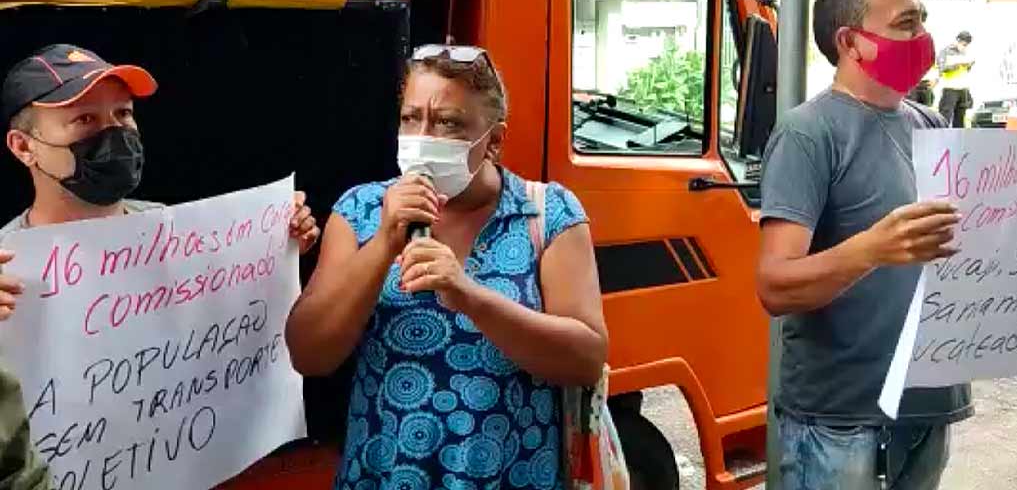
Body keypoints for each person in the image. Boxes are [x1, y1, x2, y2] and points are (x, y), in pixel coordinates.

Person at [285, 44, 608, 490]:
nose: (423, 137)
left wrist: (469, 296)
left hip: (510, 476)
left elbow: (587, 359)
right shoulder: (360, 210)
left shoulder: (548, 214)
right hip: (384, 474)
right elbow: (309, 354)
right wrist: (383, 243)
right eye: (410, 118)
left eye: (449, 124)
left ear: (493, 140)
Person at [0, 44, 322, 488]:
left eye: (123, 115)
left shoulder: (175, 234)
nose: (113, 133)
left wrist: (275, 249)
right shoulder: (4, 262)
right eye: (85, 120)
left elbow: (228, 337)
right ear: (23, 147)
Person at [756, 0, 973, 489]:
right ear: (852, 41)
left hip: (928, 409)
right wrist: (873, 249)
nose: (923, 39)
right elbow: (775, 285)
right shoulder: (809, 134)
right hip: (842, 425)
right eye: (906, 23)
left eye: (923, 22)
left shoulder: (931, 125)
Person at [936, 30, 974, 127]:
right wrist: (956, 65)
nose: (964, 46)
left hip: (963, 91)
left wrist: (969, 65)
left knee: (960, 121)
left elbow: (966, 71)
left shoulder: (966, 53)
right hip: (950, 90)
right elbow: (941, 68)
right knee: (944, 119)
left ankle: (959, 141)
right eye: (963, 44)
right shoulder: (945, 52)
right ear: (957, 40)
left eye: (966, 45)